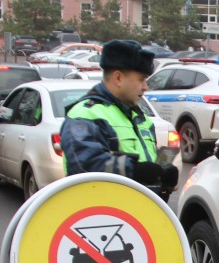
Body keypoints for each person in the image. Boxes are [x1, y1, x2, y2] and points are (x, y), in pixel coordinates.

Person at [60, 39, 178, 202]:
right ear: (118, 78)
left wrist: (163, 174)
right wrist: (137, 171)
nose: (146, 87)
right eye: (141, 79)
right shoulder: (86, 114)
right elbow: (85, 166)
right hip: (100, 217)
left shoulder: (139, 117)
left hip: (136, 215)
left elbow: (147, 162)